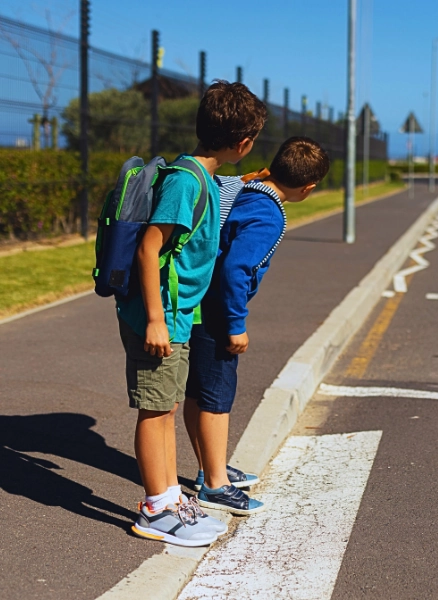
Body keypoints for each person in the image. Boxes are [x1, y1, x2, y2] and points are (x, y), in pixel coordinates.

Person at [117, 81, 267, 546]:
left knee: (166, 407)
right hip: (160, 317)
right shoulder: (187, 182)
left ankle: (168, 499)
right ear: (242, 143)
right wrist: (157, 319)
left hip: (178, 317)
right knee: (154, 410)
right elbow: (149, 248)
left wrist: (243, 182)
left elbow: (211, 194)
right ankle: (156, 508)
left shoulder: (201, 175)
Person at [183, 136, 331, 515]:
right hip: (218, 312)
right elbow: (236, 268)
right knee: (217, 398)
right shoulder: (269, 213)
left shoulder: (250, 189)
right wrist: (236, 324)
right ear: (308, 188)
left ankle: (208, 468)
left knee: (199, 394)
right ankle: (215, 486)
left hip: (200, 303)